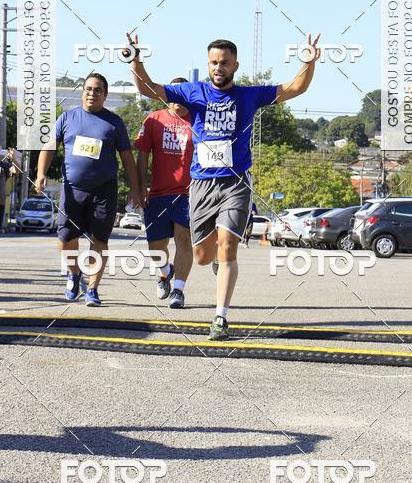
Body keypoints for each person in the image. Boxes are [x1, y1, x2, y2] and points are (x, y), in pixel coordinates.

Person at [128, 32, 320, 340]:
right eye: (214, 63)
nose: (219, 68)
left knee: (228, 247)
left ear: (235, 65)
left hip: (235, 182)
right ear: (208, 64)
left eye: (225, 63)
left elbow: (295, 88)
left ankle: (220, 317)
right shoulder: (193, 92)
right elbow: (148, 88)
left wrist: (308, 62)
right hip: (202, 184)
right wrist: (136, 59)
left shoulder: (249, 95)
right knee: (202, 256)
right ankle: (214, 257)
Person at [35, 72, 141, 307]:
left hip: (104, 190)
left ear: (105, 95)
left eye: (98, 90)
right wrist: (41, 174)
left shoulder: (114, 123)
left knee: (99, 239)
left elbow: (127, 157)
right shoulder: (67, 118)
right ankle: (74, 274)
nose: (92, 93)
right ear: (83, 92)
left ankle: (92, 289)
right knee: (65, 237)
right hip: (72, 189)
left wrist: (135, 189)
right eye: (88, 89)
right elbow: (49, 147)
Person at [134, 78, 193, 309]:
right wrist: (139, 188)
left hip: (188, 193)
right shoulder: (153, 119)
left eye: (182, 94)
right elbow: (142, 155)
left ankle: (178, 290)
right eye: (173, 93)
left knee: (183, 239)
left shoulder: (197, 119)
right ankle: (165, 273)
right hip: (157, 194)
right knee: (156, 247)